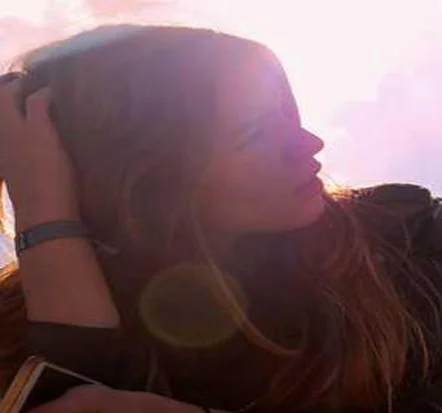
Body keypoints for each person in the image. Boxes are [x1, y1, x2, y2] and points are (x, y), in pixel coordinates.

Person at [0, 24, 442, 413]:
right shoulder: (13, 323)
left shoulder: (408, 239)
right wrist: (46, 214)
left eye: (286, 113)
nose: (309, 143)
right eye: (252, 134)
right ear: (142, 189)